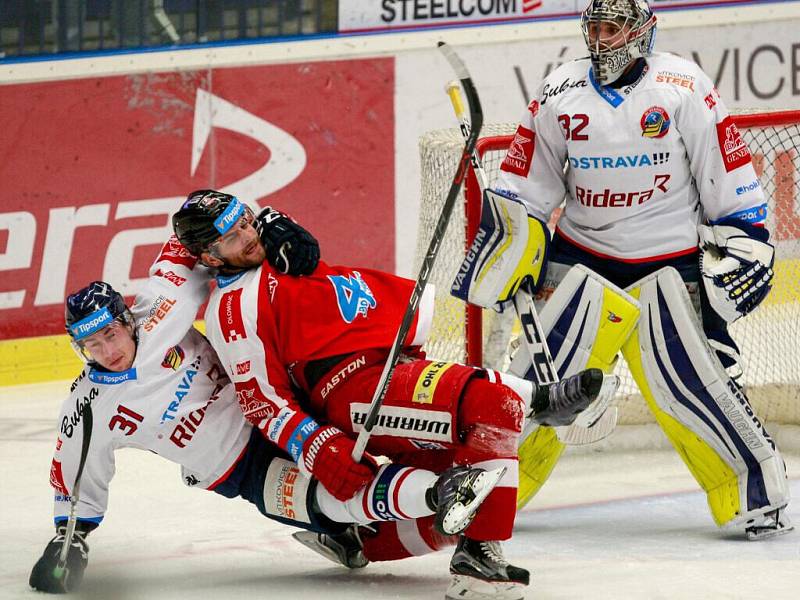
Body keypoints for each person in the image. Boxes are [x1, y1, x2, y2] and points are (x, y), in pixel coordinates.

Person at [451, 0, 791, 539]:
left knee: (699, 385)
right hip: (581, 257)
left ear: (641, 33)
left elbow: (723, 170)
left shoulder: (683, 85)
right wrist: (511, 241)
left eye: (614, 28)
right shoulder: (560, 90)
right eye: (596, 28)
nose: (603, 39)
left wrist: (745, 236)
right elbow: (527, 183)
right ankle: (488, 489)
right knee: (539, 384)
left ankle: (756, 495)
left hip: (672, 261)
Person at [171, 189, 610, 600]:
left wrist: (274, 220)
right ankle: (479, 556)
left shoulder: (270, 243)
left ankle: (360, 542)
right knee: (497, 408)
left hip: (386, 362)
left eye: (247, 221)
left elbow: (291, 254)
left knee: (465, 481)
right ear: (210, 256)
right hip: (353, 389)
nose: (249, 236)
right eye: (232, 236)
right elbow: (261, 400)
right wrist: (316, 447)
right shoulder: (232, 309)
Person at [28, 218, 505, 594]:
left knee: (362, 429)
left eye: (110, 333)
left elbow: (191, 231)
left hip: (280, 402)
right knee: (336, 499)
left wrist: (270, 220)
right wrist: (69, 540)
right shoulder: (89, 409)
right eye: (92, 345)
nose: (108, 351)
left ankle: (451, 447)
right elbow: (76, 474)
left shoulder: (159, 305)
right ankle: (444, 493)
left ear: (124, 320)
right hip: (242, 467)